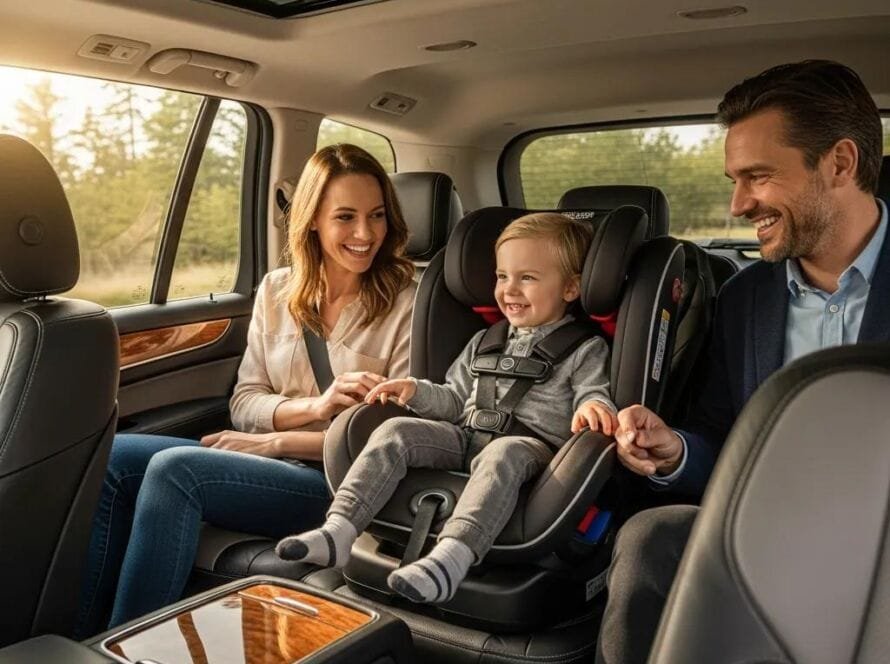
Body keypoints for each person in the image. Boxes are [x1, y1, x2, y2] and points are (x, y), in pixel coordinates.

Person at [597, 60, 889, 664]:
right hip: (774, 532)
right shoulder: (744, 299)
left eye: (757, 176)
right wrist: (675, 450)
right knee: (649, 539)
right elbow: (724, 436)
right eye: (733, 179)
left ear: (839, 163)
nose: (737, 204)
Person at [76, 144, 417, 634]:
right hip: (269, 464)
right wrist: (313, 407)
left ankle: (134, 647)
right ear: (313, 221)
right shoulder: (278, 290)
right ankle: (89, 641)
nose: (366, 234)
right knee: (115, 456)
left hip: (343, 485)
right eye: (346, 217)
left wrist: (273, 440)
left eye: (377, 216)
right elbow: (244, 402)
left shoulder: (409, 302)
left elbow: (389, 442)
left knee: (177, 470)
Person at [276, 212, 618, 603]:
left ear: (571, 288)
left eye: (527, 278)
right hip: (466, 436)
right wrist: (415, 391)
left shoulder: (585, 348)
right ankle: (338, 529)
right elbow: (454, 400)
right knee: (395, 432)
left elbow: (595, 392)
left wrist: (593, 406)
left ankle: (451, 558)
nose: (509, 290)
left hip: (533, 451)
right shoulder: (484, 341)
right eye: (502, 277)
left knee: (503, 452)